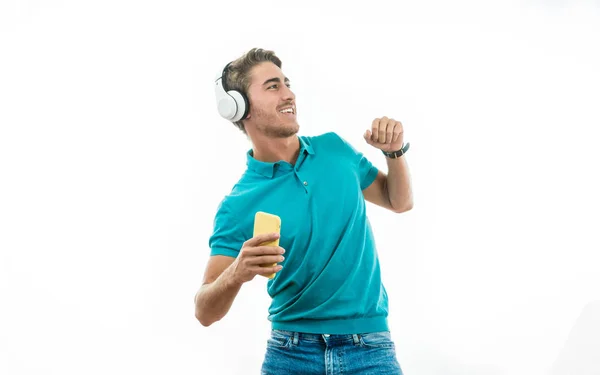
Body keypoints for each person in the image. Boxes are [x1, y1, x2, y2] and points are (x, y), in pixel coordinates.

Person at [194, 48, 413, 375]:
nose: (289, 94)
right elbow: (204, 311)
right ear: (238, 106)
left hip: (370, 349)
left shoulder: (335, 149)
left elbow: (398, 201)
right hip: (291, 355)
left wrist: (394, 153)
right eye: (273, 86)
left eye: (287, 83)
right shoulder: (238, 204)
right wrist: (237, 271)